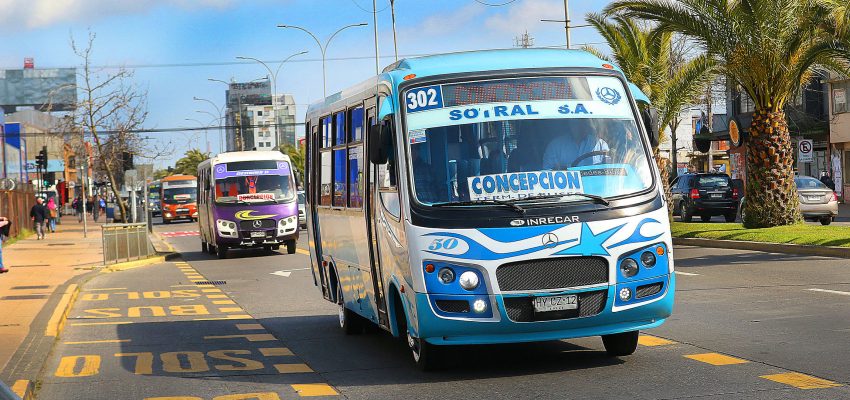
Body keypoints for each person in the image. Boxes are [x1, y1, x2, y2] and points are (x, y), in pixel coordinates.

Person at [542, 119, 610, 170]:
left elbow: (610, 173)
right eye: (576, 123)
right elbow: (546, 174)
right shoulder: (555, 147)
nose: (580, 126)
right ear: (569, 124)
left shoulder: (601, 145)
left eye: (584, 122)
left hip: (596, 188)